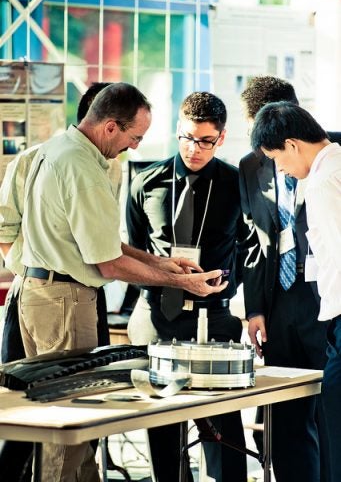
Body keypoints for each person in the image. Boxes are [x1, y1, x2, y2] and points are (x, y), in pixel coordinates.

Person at [18, 82, 227, 482]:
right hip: (64, 301)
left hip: (39, 294)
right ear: (111, 127)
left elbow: (101, 242)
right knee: (70, 426)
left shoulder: (57, 150)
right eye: (134, 137)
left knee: (68, 426)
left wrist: (164, 265)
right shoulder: (83, 168)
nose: (134, 148)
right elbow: (108, 264)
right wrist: (182, 283)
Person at [126, 91, 248, 482]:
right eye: (186, 137)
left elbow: (251, 247)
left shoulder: (236, 183)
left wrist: (226, 285)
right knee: (162, 428)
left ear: (221, 138)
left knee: (224, 430)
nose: (193, 149)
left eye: (205, 141)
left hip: (215, 320)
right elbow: (136, 248)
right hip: (157, 317)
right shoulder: (146, 181)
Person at [0, 81, 115, 482]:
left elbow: (101, 242)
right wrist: (38, 271)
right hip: (42, 293)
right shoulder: (39, 160)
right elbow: (4, 229)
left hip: (82, 291)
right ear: (102, 122)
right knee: (42, 415)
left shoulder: (103, 164)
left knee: (86, 408)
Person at [239, 76, 330, 482]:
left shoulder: (332, 154)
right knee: (285, 420)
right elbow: (253, 240)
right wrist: (254, 308)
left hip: (328, 300)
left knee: (331, 415)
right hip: (278, 304)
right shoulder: (251, 165)